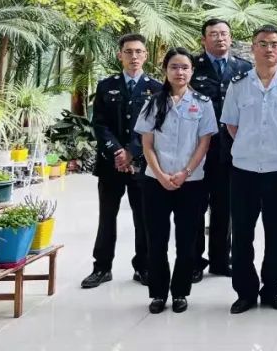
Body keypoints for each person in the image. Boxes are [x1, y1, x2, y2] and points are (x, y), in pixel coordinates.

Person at [220, 25, 277, 314]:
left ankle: (273, 288)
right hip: (244, 169)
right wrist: (251, 147)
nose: (269, 49)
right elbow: (231, 125)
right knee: (242, 233)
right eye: (262, 43)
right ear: (252, 48)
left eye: (274, 44)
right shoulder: (238, 84)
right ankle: (245, 292)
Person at [134, 47, 217, 314]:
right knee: (156, 240)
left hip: (191, 182)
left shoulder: (203, 103)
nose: (179, 72)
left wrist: (185, 173)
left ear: (192, 71)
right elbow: (147, 144)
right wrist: (160, 174)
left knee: (187, 241)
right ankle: (158, 294)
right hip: (155, 181)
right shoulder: (153, 103)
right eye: (174, 67)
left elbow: (204, 143)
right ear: (165, 71)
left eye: (184, 67)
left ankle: (180, 292)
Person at [83, 33, 162, 290]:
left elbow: (156, 126)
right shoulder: (106, 86)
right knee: (107, 217)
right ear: (120, 55)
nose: (134, 56)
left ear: (146, 55)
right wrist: (117, 151)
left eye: (138, 51)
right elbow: (99, 123)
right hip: (110, 164)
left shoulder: (156, 88)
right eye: (128, 52)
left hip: (143, 164)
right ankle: (101, 267)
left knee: (144, 218)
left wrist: (132, 151)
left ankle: (143, 267)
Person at [190, 19, 253, 282]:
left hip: (231, 149)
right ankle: (194, 261)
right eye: (213, 34)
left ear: (231, 37)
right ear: (204, 39)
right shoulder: (192, 66)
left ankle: (220, 259)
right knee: (195, 207)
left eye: (224, 34)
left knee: (224, 207)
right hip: (197, 150)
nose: (220, 38)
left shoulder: (244, 67)